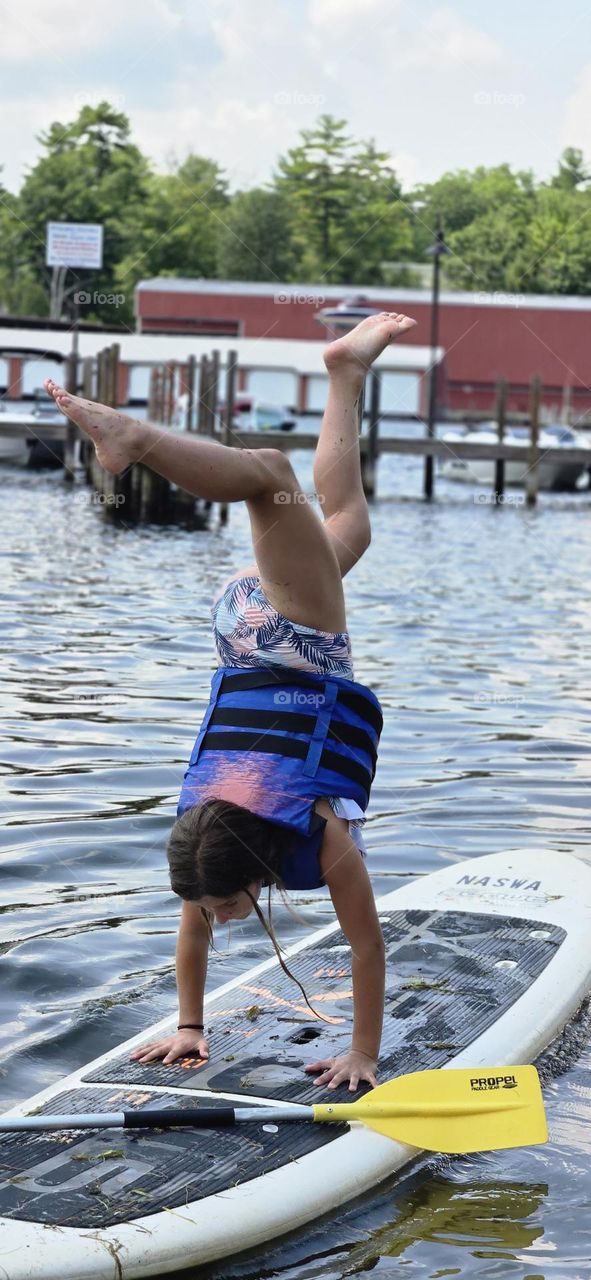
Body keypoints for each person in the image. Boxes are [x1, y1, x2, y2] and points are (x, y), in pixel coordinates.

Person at [43, 310, 417, 1092]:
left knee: (270, 479)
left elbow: (368, 947)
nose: (215, 918)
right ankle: (346, 372)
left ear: (250, 868)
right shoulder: (213, 845)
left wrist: (363, 1055)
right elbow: (203, 933)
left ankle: (135, 440)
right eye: (209, 908)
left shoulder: (307, 833)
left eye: (220, 905)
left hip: (290, 638)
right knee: (345, 522)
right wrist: (187, 1027)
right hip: (247, 629)